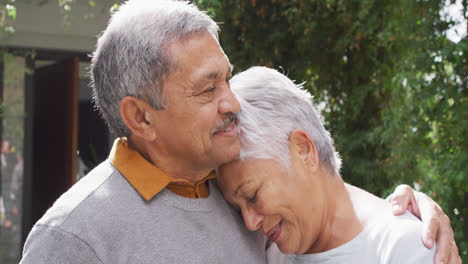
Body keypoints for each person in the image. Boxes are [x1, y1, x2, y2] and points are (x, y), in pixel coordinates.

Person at [19, 0, 459, 263]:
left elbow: (322, 200)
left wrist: (404, 214)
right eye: (208, 88)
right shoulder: (74, 238)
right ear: (141, 117)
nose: (231, 102)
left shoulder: (232, 191)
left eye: (226, 79)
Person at [217, 66, 462, 263]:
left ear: (303, 151)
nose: (249, 223)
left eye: (251, 195)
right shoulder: (271, 253)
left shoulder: (405, 249)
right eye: (238, 210)